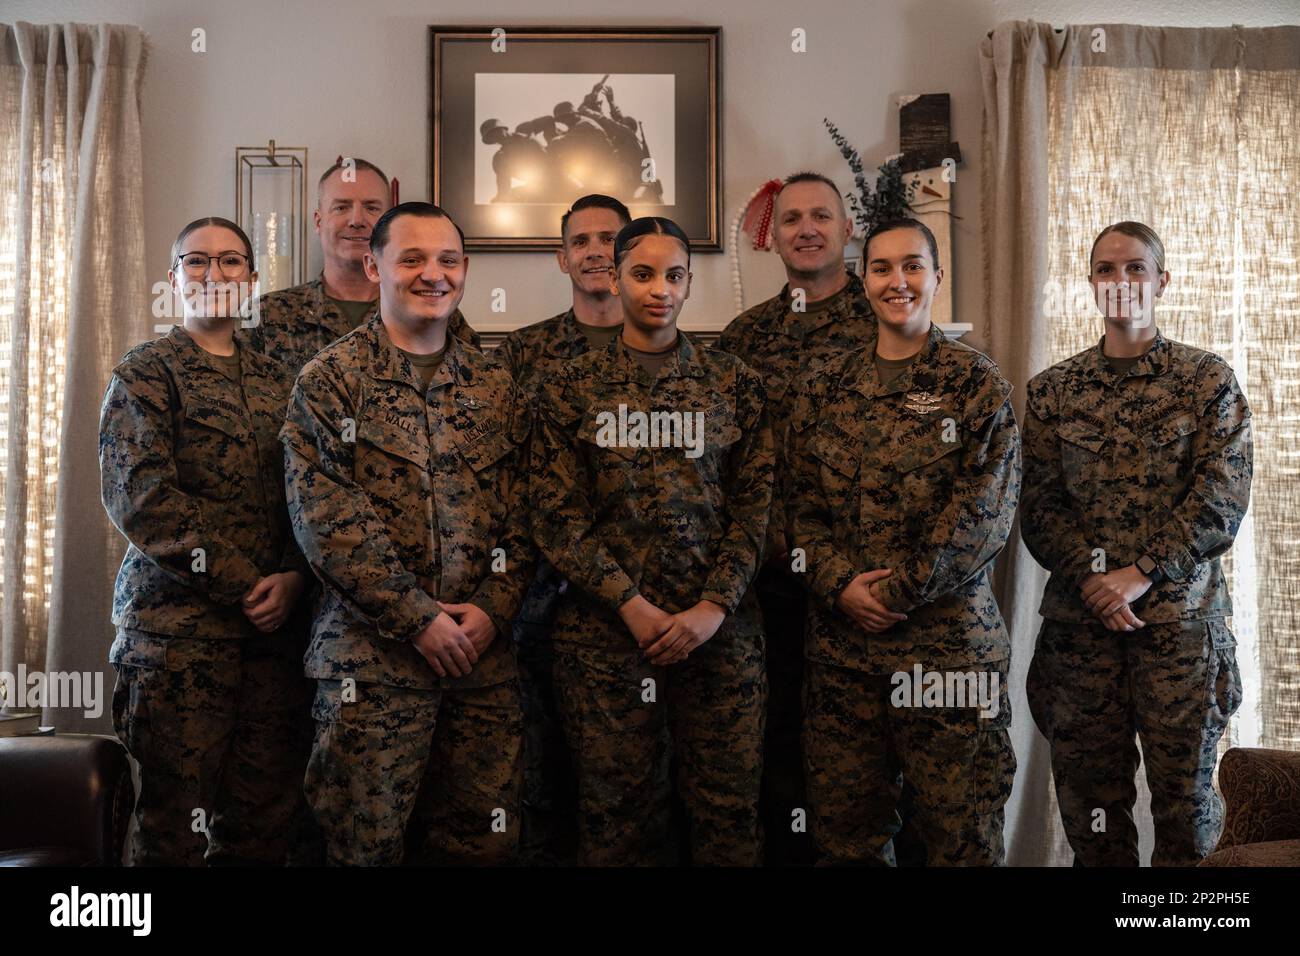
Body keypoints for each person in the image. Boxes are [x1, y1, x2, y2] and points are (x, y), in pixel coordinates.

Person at [280, 202, 533, 866]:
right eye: (412, 258)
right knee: (363, 848)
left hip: (484, 667)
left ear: (466, 269)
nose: (433, 274)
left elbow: (535, 514)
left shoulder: (500, 387)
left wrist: (495, 608)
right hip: (373, 667)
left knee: (483, 847)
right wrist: (418, 619)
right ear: (375, 265)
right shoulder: (330, 382)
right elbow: (326, 524)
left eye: (448, 260)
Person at [531, 217, 774, 865]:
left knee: (728, 819)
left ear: (690, 283)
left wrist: (712, 607)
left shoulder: (734, 385)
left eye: (673, 275)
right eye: (642, 273)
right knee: (616, 822)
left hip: (720, 640)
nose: (658, 289)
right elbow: (556, 516)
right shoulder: (569, 385)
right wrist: (631, 606)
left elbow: (757, 510)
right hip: (606, 641)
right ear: (615, 277)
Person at [787, 217, 1021, 866]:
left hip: (947, 657)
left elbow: (984, 515)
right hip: (843, 659)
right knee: (847, 843)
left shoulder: (977, 386)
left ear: (937, 279)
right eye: (883, 267)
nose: (898, 281)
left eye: (913, 266)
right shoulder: (822, 387)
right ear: (864, 281)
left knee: (960, 842)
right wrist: (837, 584)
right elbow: (794, 510)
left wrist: (893, 593)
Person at [1021, 220, 1252, 866]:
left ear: (1161, 281)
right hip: (1080, 635)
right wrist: (1096, 580)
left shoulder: (1207, 383)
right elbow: (1036, 504)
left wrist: (1143, 571)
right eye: (1106, 269)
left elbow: (1222, 497)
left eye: (1135, 269)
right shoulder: (1054, 393)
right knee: (1093, 815)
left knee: (1184, 811)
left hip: (1181, 631)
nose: (1120, 281)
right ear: (1091, 283)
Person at [99, 216, 311, 865]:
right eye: (197, 262)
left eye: (229, 262)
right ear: (174, 279)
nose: (213, 274)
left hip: (270, 645)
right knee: (173, 829)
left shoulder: (284, 380)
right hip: (176, 641)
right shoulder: (146, 373)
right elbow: (141, 498)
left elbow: (308, 495)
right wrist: (245, 581)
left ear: (250, 280)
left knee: (261, 826)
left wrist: (293, 576)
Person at [716, 171, 877, 865]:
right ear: (772, 237)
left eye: (821, 216)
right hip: (776, 589)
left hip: (870, 593)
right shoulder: (744, 339)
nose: (806, 228)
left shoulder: (889, 319)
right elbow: (722, 468)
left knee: (870, 786)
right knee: (779, 765)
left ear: (847, 230)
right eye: (790, 219)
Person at [491, 193, 631, 865]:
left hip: (640, 605)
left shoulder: (670, 348)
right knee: (541, 783)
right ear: (561, 257)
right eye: (581, 240)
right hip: (544, 604)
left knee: (628, 796)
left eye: (610, 238)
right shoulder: (523, 353)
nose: (596, 250)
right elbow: (501, 474)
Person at [248, 157, 478, 375]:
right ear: (319, 221)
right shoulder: (268, 315)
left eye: (371, 208)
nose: (357, 221)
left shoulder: (439, 315)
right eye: (341, 207)